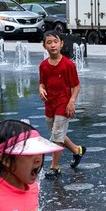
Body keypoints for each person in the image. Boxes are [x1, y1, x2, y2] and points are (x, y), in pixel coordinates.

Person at [39, 30, 86, 178]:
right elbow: (42, 83)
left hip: (63, 104)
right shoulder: (43, 66)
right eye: (49, 43)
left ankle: (54, 166)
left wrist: (71, 102)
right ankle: (78, 150)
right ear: (44, 46)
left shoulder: (68, 65)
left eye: (55, 42)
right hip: (49, 104)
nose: (53, 45)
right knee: (57, 134)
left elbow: (76, 86)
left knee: (57, 134)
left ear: (61, 44)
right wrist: (41, 89)